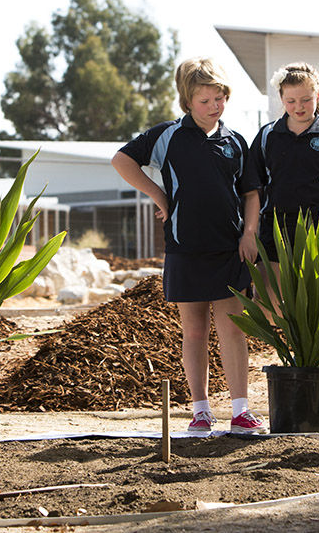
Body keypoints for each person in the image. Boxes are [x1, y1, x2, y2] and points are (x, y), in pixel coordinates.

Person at [111, 57, 268, 435]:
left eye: (220, 98)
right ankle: (200, 411)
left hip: (229, 250)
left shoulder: (236, 142)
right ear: (187, 100)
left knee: (233, 329)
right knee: (194, 331)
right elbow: (121, 160)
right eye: (205, 100)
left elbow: (251, 193)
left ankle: (240, 410)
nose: (214, 106)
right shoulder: (168, 136)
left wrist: (249, 234)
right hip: (184, 248)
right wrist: (158, 195)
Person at [249, 62, 319, 264]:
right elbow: (253, 187)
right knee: (268, 295)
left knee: (309, 296)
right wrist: (251, 231)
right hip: (274, 228)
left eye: (306, 100)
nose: (299, 107)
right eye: (291, 101)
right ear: (281, 98)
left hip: (317, 227)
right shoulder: (267, 135)